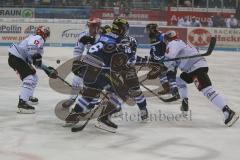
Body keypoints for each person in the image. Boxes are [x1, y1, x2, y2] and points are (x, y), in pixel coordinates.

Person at [162, 30, 239, 126]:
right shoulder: (181, 44)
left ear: (169, 38)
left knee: (207, 90)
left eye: (165, 38)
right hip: (192, 68)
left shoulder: (173, 43)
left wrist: (162, 63)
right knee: (179, 81)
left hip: (195, 68)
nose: (164, 41)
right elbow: (172, 65)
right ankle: (184, 101)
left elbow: (169, 58)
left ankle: (227, 111)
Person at [8, 26, 58, 114]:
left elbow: (35, 62)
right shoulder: (37, 37)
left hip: (17, 57)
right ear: (43, 33)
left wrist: (47, 69)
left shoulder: (37, 43)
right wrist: (37, 58)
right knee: (29, 78)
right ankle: (22, 103)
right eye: (46, 33)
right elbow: (32, 49)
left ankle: (28, 97)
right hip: (17, 57)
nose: (46, 36)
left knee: (34, 77)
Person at [62, 17, 102, 108]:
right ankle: (72, 98)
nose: (90, 28)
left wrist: (93, 41)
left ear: (98, 26)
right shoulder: (83, 35)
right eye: (89, 26)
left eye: (92, 26)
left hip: (102, 61)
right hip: (89, 59)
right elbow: (78, 50)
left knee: (94, 81)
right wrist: (76, 61)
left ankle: (94, 100)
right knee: (77, 76)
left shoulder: (104, 35)